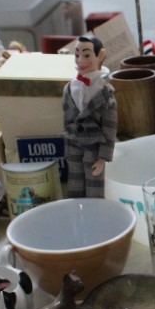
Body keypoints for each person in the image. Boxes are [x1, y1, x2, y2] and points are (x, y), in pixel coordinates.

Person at [62, 35, 117, 197]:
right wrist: (67, 145)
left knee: (94, 188)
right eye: (77, 55)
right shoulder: (70, 87)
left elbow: (110, 128)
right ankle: (76, 210)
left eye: (86, 55)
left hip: (94, 147)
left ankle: (95, 212)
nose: (80, 60)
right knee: (75, 185)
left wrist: (103, 159)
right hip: (73, 144)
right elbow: (67, 120)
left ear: (100, 56)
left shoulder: (105, 93)